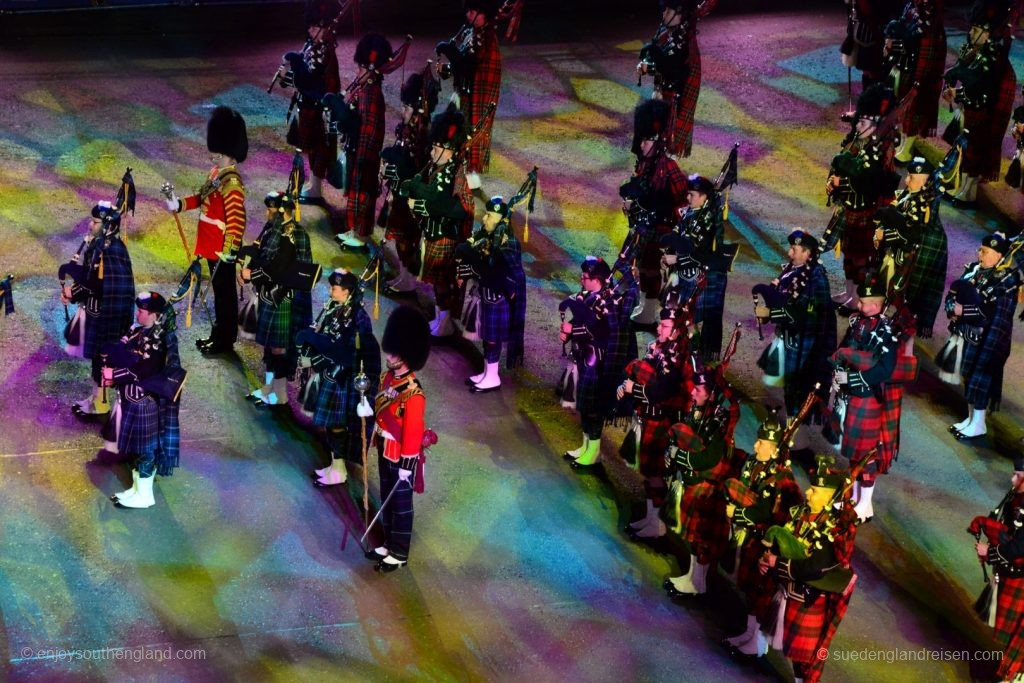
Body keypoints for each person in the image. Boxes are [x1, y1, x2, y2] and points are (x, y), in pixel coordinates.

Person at [759, 455, 858, 683]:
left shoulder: (834, 530)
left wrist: (778, 563)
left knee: (807, 660)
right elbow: (782, 543)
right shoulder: (799, 514)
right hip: (788, 593)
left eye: (815, 491)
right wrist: (766, 560)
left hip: (809, 599)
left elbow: (815, 567)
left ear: (829, 498)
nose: (808, 493)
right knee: (795, 655)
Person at [166, 106, 248, 356]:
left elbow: (236, 221)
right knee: (219, 296)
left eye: (220, 157)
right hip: (211, 245)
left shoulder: (231, 184)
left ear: (232, 156)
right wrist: (179, 204)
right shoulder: (216, 175)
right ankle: (218, 334)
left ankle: (225, 339)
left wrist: (228, 251)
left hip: (221, 249)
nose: (215, 160)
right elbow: (201, 198)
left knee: (225, 297)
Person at [722, 413, 802, 657]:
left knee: (760, 591)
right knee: (748, 587)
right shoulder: (756, 465)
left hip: (766, 543)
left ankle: (758, 645)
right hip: (752, 537)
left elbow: (766, 511)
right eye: (757, 441)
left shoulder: (781, 478)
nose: (755, 445)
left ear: (775, 448)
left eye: (762, 443)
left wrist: (738, 514)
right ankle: (749, 634)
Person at [296, 269, 381, 487]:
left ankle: (340, 470)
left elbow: (343, 351)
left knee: (337, 426)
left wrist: (313, 351)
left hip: (342, 379)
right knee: (332, 426)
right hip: (332, 374)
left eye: (334, 288)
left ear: (347, 292)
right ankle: (335, 466)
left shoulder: (357, 318)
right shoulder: (338, 309)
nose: (330, 291)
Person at [103, 292, 184, 510]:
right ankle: (137, 489)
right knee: (138, 450)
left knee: (146, 450)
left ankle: (146, 495)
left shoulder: (157, 343)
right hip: (131, 399)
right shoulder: (138, 331)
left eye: (141, 311)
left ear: (154, 315)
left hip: (144, 402)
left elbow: (144, 370)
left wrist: (114, 375)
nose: (137, 314)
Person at [400, 103, 474, 337]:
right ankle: (440, 319)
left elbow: (452, 205)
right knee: (437, 282)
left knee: (443, 283)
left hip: (446, 237)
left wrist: (420, 193)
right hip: (434, 233)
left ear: (450, 149)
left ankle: (445, 323)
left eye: (437, 146)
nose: (432, 151)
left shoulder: (455, 174)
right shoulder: (438, 168)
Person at [559, 257, 640, 470]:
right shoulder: (589, 295)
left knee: (593, 409)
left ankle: (594, 453)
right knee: (584, 407)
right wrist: (569, 333)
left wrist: (572, 330)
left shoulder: (611, 302)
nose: (581, 280)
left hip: (599, 363)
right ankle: (586, 446)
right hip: (584, 357)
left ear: (597, 280)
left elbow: (602, 332)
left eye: (585, 278)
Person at [828, 277, 898, 523]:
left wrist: (853, 379)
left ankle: (865, 504)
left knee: (867, 454)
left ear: (880, 305)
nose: (863, 306)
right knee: (854, 451)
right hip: (851, 395)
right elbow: (844, 347)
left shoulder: (886, 331)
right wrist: (837, 372)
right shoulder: (857, 323)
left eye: (870, 303)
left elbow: (885, 370)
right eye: (862, 301)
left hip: (868, 397)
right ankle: (855, 498)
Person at [939, 233, 1020, 441]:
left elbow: (993, 313)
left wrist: (962, 311)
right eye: (980, 250)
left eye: (985, 251)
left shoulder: (1007, 280)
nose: (980, 254)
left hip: (989, 339)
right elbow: (955, 292)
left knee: (981, 378)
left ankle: (979, 422)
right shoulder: (975, 269)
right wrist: (952, 307)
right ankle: (971, 419)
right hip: (968, 333)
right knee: (968, 374)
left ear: (999, 255)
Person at [824, 84, 901, 302]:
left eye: (863, 122)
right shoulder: (857, 140)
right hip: (848, 207)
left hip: (866, 211)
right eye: (858, 120)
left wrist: (842, 183)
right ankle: (849, 293)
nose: (857, 125)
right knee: (848, 254)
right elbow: (840, 163)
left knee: (861, 258)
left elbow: (869, 184)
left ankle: (859, 299)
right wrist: (832, 182)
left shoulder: (879, 151)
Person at [369, 305, 431, 572]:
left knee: (401, 505)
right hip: (385, 445)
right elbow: (383, 409)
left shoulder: (414, 393)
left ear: (406, 355)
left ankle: (399, 552)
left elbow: (413, 432)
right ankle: (388, 542)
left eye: (394, 353)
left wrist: (408, 465)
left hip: (400, 454)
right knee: (386, 497)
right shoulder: (388, 378)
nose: (389, 356)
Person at [618, 307, 689, 540]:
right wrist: (626, 385)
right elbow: (641, 372)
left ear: (677, 331)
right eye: (659, 323)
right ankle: (650, 519)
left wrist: (634, 389)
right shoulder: (658, 348)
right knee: (648, 472)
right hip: (646, 416)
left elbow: (661, 391)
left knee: (655, 473)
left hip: (660, 420)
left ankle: (657, 524)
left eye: (665, 325)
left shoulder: (678, 359)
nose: (658, 328)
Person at [62, 202, 135, 420]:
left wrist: (72, 293)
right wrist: (73, 294)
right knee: (97, 359)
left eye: (95, 222)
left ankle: (101, 405)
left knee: (103, 360)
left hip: (108, 317)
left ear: (108, 226)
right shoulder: (101, 245)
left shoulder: (112, 251)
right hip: (99, 313)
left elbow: (98, 285)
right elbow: (91, 280)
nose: (90, 224)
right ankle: (96, 398)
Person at [619, 98, 688, 327]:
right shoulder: (644, 165)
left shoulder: (669, 168)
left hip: (660, 231)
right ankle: (643, 307)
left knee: (651, 269)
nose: (641, 145)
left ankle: (650, 312)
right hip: (644, 228)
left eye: (647, 141)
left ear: (657, 142)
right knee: (638, 265)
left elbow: (682, 204)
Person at [754, 230, 836, 419]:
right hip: (790, 338)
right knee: (787, 383)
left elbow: (809, 316)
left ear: (807, 253)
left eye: (794, 249)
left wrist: (771, 313)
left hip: (805, 344)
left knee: (799, 386)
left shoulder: (817, 278)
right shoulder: (795, 270)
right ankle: (789, 416)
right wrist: (769, 314)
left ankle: (795, 427)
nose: (790, 254)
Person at [942, 0, 1017, 206]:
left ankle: (968, 192)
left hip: (987, 106)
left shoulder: (994, 60)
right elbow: (959, 70)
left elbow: (977, 84)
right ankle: (964, 188)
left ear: (988, 33)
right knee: (967, 145)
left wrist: (957, 93)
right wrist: (952, 88)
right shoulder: (976, 49)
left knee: (977, 145)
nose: (971, 33)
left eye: (976, 29)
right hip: (974, 104)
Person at [243, 194, 313, 408]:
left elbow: (294, 269)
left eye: (271, 210)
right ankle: (269, 388)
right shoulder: (272, 228)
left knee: (279, 348)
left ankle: (279, 395)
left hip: (283, 299)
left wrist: (253, 275)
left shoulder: (298, 235)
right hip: (269, 295)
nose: (267, 213)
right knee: (270, 348)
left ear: (282, 211)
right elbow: (262, 255)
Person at [455, 196, 527, 392]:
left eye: (489, 215)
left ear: (500, 220)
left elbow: (508, 275)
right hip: (488, 293)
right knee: (487, 336)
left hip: (498, 297)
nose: (484, 219)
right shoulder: (489, 235)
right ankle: (487, 373)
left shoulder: (507, 242)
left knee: (492, 338)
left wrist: (478, 263)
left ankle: (493, 376)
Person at [380, 68, 440, 293]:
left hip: (412, 197)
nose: (402, 110)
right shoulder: (407, 128)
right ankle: (404, 277)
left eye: (407, 107)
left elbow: (418, 170)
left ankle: (408, 282)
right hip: (401, 191)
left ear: (419, 110)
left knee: (408, 240)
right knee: (400, 239)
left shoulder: (424, 134)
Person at [873, 156, 948, 338]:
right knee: (891, 290)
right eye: (908, 175)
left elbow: (910, 234)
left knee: (908, 299)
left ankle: (902, 338)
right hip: (900, 253)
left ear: (924, 183)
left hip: (917, 256)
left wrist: (885, 236)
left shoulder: (925, 208)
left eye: (911, 177)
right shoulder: (912, 196)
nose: (906, 180)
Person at [436, 0, 505, 196]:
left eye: (473, 11)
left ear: (484, 13)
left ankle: (469, 179)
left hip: (476, 96)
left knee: (469, 133)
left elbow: (468, 65)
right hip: (465, 92)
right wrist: (447, 70)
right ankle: (462, 175)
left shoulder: (487, 38)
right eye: (468, 10)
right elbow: (462, 63)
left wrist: (449, 51)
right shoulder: (471, 33)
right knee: (457, 130)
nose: (469, 15)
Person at [637, 0, 718, 158]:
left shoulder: (685, 43)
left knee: (666, 152)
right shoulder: (669, 35)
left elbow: (673, 70)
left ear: (680, 15)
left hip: (676, 105)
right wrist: (647, 65)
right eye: (664, 10)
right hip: (663, 98)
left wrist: (652, 60)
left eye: (668, 11)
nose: (664, 15)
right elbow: (662, 64)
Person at [335, 33, 394, 251]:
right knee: (359, 191)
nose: (356, 72)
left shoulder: (371, 93)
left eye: (360, 68)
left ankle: (358, 233)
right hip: (359, 148)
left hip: (365, 152)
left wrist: (360, 155)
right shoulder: (365, 89)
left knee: (362, 192)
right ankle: (358, 230)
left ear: (371, 69)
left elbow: (369, 130)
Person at [280, 0, 341, 205]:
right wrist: (287, 76)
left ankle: (316, 189)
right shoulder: (313, 45)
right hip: (309, 103)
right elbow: (303, 78)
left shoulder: (324, 50)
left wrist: (295, 64)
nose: (310, 29)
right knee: (314, 149)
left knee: (319, 150)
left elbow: (311, 81)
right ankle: (314, 187)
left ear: (326, 28)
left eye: (315, 26)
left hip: (319, 107)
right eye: (310, 25)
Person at [972, 457, 1024, 683]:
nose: (1013, 479)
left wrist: (990, 553)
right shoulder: (1017, 498)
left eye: (1019, 476)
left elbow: (1019, 545)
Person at [677, 173, 735, 361]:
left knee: (694, 319)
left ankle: (702, 360)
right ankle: (691, 355)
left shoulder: (708, 219)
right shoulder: (694, 213)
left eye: (692, 195)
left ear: (704, 197)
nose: (688, 198)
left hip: (708, 276)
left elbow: (699, 251)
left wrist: (675, 260)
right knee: (685, 318)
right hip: (691, 273)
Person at [883, 0, 946, 162]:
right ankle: (902, 143)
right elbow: (901, 27)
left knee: (913, 110)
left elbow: (928, 53)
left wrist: (917, 81)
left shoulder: (931, 21)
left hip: (920, 73)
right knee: (903, 109)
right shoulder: (911, 8)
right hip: (906, 67)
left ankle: (907, 149)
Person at [840, 0, 899, 89]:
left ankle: (872, 93)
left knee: (873, 69)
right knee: (869, 69)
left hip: (876, 31)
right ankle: (869, 94)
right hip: (866, 34)